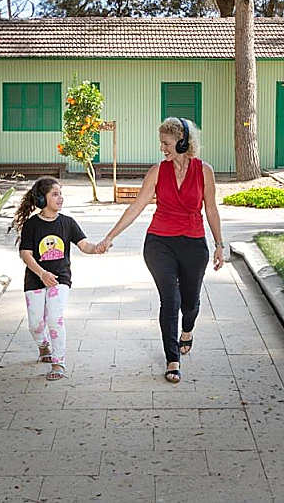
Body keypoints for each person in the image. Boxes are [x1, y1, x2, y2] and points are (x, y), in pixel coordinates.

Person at [96, 117, 225, 383]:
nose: (162, 148)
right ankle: (172, 358)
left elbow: (211, 209)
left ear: (182, 142)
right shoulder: (157, 171)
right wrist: (111, 235)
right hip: (159, 242)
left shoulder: (204, 171)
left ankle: (187, 330)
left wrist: (219, 245)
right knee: (171, 300)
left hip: (193, 242)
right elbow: (137, 206)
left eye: (166, 143)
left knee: (190, 303)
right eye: (161, 143)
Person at [10, 176, 100, 381]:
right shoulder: (32, 225)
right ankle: (43, 345)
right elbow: (25, 254)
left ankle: (58, 363)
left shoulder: (68, 223)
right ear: (42, 199)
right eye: (55, 194)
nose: (60, 198)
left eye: (61, 194)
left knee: (54, 319)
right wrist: (42, 273)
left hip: (60, 279)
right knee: (35, 324)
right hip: (35, 280)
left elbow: (84, 245)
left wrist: (97, 248)